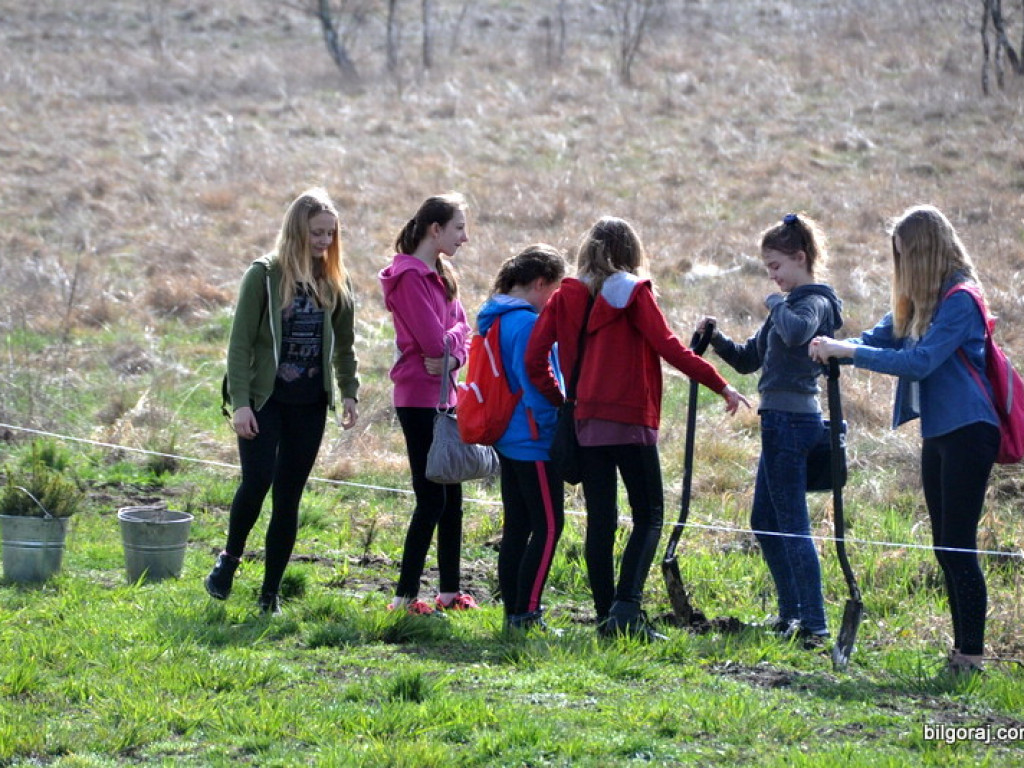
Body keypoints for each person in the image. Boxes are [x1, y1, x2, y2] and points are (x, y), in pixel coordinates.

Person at [525, 216, 749, 641]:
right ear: (631, 252)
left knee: (601, 521)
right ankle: (626, 609)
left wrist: (564, 400)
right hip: (630, 420)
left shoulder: (564, 295)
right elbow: (669, 347)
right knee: (649, 515)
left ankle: (605, 616)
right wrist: (721, 385)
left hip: (586, 422)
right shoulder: (634, 292)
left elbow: (534, 359)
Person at [810, 205, 1000, 674]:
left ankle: (971, 656)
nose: (900, 267)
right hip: (939, 431)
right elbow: (881, 337)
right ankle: (961, 652)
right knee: (944, 547)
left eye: (905, 256)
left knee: (958, 547)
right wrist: (829, 347)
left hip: (970, 431)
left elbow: (920, 362)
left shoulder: (961, 299)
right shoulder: (922, 301)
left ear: (925, 252)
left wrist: (847, 351)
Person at [206, 188, 359, 615]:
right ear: (296, 231)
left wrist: (348, 391)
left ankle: (270, 593)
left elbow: (345, 344)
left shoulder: (336, 280)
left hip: (309, 404)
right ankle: (229, 560)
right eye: (317, 232)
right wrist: (240, 403)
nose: (324, 241)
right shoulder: (264, 275)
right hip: (264, 400)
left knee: (288, 496)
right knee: (257, 481)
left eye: (330, 233)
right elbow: (239, 345)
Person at [698, 213, 843, 649]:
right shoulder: (790, 304)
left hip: (793, 424)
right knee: (765, 521)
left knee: (792, 525)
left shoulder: (813, 302)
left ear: (800, 257)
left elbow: (797, 334)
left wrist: (777, 304)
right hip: (778, 422)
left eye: (776, 266)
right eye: (768, 268)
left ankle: (813, 624)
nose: (773, 276)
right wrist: (716, 338)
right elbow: (748, 359)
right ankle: (791, 615)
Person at [379, 193, 477, 616]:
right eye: (459, 228)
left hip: (445, 395)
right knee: (431, 499)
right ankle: (403, 599)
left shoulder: (442, 272)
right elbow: (434, 342)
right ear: (435, 229)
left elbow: (462, 332)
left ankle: (450, 594)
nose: (465, 238)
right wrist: (452, 344)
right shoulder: (409, 278)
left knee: (452, 497)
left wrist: (453, 355)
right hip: (419, 399)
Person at [476, 244, 567, 632]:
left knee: (517, 526)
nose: (554, 301)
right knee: (549, 526)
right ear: (541, 284)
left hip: (507, 437)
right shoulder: (528, 323)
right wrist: (555, 427)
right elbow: (535, 383)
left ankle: (512, 614)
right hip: (533, 440)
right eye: (555, 291)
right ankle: (528, 614)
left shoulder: (496, 317)